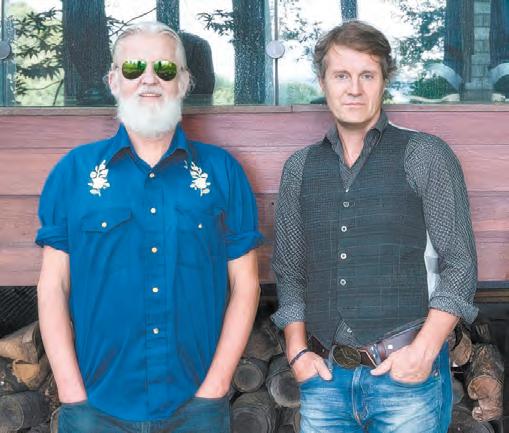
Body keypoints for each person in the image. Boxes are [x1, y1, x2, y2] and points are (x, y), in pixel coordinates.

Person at [36, 21, 262, 433]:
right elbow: (53, 286)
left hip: (197, 406)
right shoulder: (74, 172)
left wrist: (215, 387)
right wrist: (71, 392)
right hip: (95, 408)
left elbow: (246, 285)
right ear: (113, 80)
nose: (149, 78)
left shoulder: (222, 171)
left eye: (166, 68)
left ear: (185, 82)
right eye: (134, 67)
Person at [272, 20, 477, 433]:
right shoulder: (299, 168)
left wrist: (425, 350)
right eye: (341, 76)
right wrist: (296, 351)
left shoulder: (425, 155)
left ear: (385, 81)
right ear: (323, 82)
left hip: (407, 378)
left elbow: (460, 263)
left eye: (367, 75)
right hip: (324, 379)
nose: (354, 88)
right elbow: (290, 270)